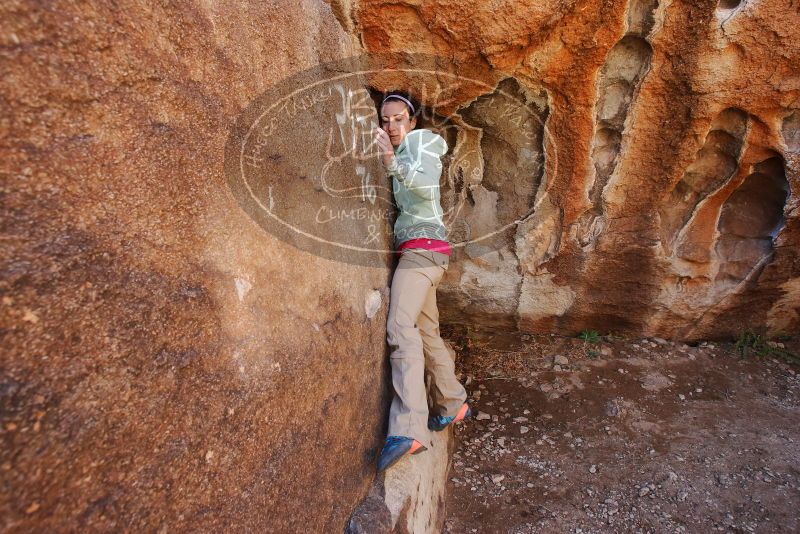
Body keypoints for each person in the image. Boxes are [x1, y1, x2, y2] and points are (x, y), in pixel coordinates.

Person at [372, 91, 471, 472]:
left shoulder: (423, 142)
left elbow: (426, 186)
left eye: (399, 119)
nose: (392, 126)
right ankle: (451, 403)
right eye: (386, 120)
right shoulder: (407, 148)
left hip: (422, 252)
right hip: (425, 252)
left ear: (413, 121)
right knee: (426, 331)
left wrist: (389, 160)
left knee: (400, 326)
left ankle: (409, 427)